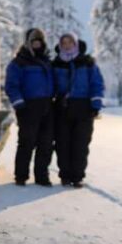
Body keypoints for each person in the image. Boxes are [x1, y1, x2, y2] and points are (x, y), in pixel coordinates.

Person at [52, 32, 104, 188]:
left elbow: (96, 83)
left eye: (70, 42)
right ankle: (65, 175)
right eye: (64, 43)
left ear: (76, 44)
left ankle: (78, 176)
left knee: (81, 144)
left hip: (83, 107)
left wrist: (96, 104)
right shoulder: (56, 63)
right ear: (60, 45)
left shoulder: (87, 63)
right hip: (62, 108)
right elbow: (51, 84)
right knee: (63, 143)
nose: (67, 45)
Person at [4, 28, 54, 187]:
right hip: (28, 107)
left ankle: (42, 176)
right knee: (27, 142)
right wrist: (19, 104)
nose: (37, 44)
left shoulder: (47, 61)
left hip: (47, 105)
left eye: (39, 41)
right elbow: (11, 85)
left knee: (45, 144)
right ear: (28, 43)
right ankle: (21, 175)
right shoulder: (19, 62)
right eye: (34, 41)